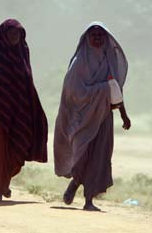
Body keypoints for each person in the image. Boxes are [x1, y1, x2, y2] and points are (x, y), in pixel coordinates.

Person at [54, 21, 131, 211]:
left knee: (100, 156)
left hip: (103, 116)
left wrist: (123, 114)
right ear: (87, 38)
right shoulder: (79, 61)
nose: (97, 39)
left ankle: (89, 200)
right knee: (82, 155)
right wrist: (101, 90)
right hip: (81, 118)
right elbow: (73, 91)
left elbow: (115, 89)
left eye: (100, 36)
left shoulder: (109, 59)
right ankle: (74, 183)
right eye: (93, 35)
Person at [0, 19, 48, 202]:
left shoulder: (22, 52)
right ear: (4, 34)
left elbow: (27, 81)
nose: (14, 37)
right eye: (11, 33)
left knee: (17, 146)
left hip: (18, 110)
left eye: (18, 34)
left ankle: (3, 183)